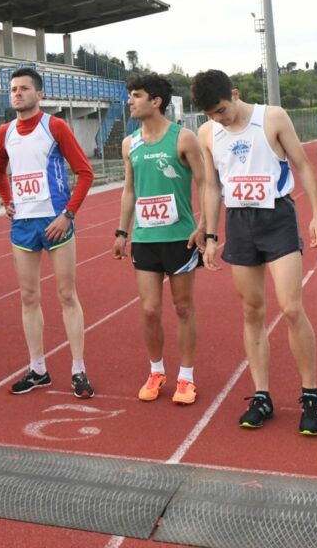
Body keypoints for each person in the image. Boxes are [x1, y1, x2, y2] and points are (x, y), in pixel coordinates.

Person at [192, 70, 317, 435]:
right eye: (210, 114)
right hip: (239, 223)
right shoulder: (208, 133)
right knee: (252, 310)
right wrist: (209, 235)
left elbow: (302, 164)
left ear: (234, 94)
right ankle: (262, 395)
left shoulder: (272, 117)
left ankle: (311, 395)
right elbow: (210, 185)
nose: (217, 118)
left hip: (277, 217)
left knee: (291, 307)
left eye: (221, 109)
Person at [0, 68, 96, 398]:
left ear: (39, 94)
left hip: (55, 222)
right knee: (28, 297)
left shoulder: (55, 127)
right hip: (22, 224)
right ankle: (38, 369)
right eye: (13, 89)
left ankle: (78, 369)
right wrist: (8, 201)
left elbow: (85, 173)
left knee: (66, 295)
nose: (17, 93)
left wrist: (67, 215)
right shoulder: (5, 132)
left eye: (24, 88)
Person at [112, 74, 208, 405]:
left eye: (136, 95)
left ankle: (186, 376)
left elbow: (206, 183)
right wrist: (122, 231)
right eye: (129, 95)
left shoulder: (184, 138)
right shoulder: (130, 144)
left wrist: (205, 225)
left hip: (180, 238)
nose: (130, 101)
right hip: (145, 238)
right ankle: (156, 371)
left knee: (183, 307)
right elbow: (129, 190)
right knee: (150, 310)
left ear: (155, 101)